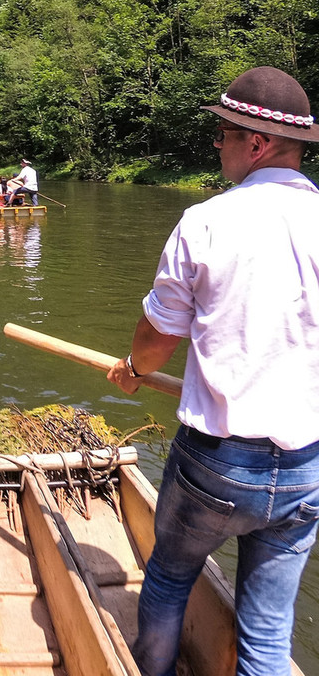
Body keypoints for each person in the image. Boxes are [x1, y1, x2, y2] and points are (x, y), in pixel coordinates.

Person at [106, 66, 319, 676]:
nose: (218, 144)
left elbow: (157, 337)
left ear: (256, 143)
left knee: (170, 578)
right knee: (269, 638)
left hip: (219, 464)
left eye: (224, 134)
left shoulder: (207, 221)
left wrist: (132, 369)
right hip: (307, 466)